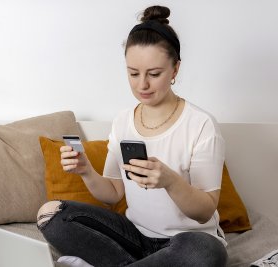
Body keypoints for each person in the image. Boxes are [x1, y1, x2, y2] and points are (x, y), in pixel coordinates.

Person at [36, 5, 228, 267]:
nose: (142, 85)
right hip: (135, 237)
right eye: (133, 73)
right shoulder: (124, 120)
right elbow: (113, 193)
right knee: (51, 215)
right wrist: (86, 171)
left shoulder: (201, 125)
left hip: (188, 241)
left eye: (154, 74)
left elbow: (205, 210)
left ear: (175, 70)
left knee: (205, 252)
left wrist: (170, 181)